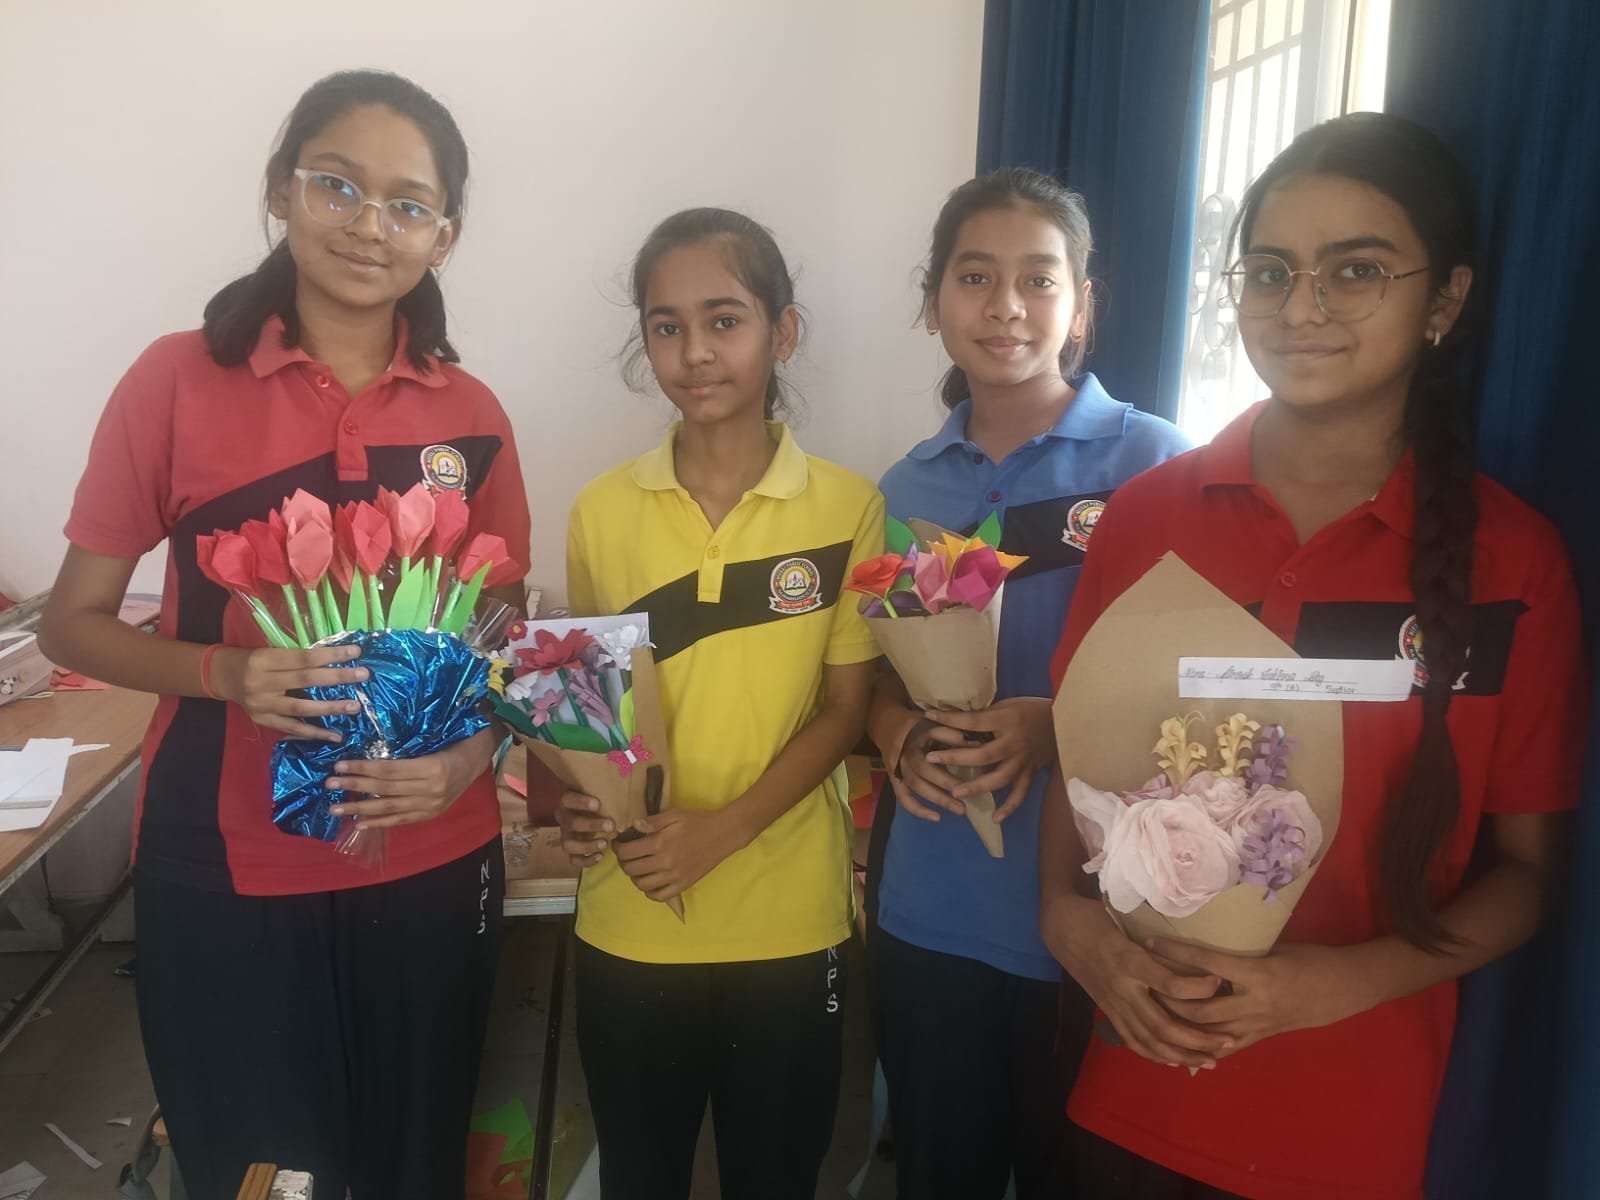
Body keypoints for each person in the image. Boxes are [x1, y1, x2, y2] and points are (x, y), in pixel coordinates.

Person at [1040, 112, 1587, 1200]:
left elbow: (1528, 876)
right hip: (1139, 1084)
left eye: (1356, 270)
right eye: (1270, 271)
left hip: (1355, 1117)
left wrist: (1334, 985)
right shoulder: (1147, 520)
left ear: (1445, 301)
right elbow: (1082, 769)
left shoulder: (1514, 561)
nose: (1301, 307)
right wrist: (1067, 922)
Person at [38, 70, 530, 1200]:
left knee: (415, 1163)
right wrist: (230, 673)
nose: (370, 225)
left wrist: (472, 759)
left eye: (408, 204)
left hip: (435, 855)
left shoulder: (470, 414)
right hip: (227, 866)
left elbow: (506, 632)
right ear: (280, 189)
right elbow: (73, 622)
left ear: (444, 235)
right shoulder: (175, 381)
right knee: (265, 1176)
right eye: (337, 186)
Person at [552, 208, 883, 1199]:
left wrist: (721, 831)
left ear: (783, 332)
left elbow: (846, 712)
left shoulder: (849, 507)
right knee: (639, 1177)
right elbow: (592, 712)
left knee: (774, 1179)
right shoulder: (601, 510)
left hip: (790, 922)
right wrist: (582, 803)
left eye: (723, 320)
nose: (694, 351)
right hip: (631, 915)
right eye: (667, 326)